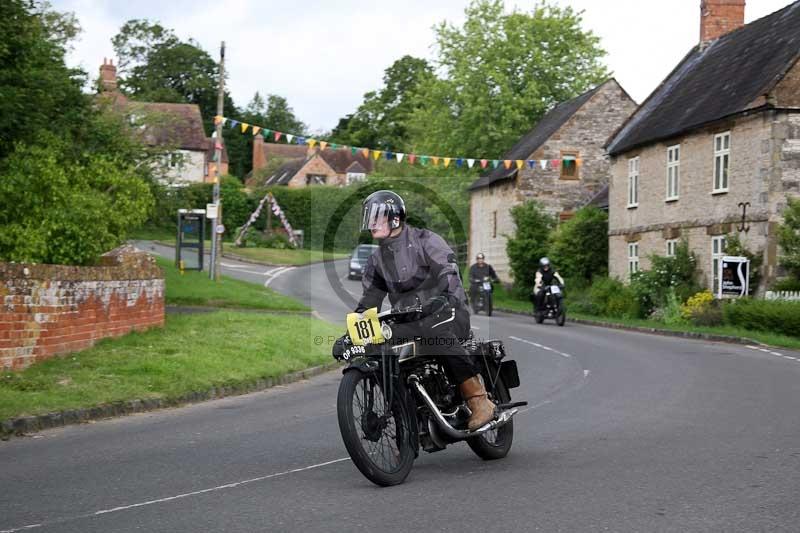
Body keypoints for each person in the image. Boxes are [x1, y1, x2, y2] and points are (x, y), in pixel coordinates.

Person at [342, 190, 495, 431]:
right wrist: (353, 331)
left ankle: (479, 401)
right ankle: (407, 406)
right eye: (369, 219)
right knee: (378, 342)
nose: (371, 224)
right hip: (410, 320)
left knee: (436, 333)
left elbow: (448, 270)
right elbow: (371, 299)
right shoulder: (376, 260)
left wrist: (443, 297)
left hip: (447, 310)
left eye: (376, 218)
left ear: (394, 219)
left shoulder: (425, 240)